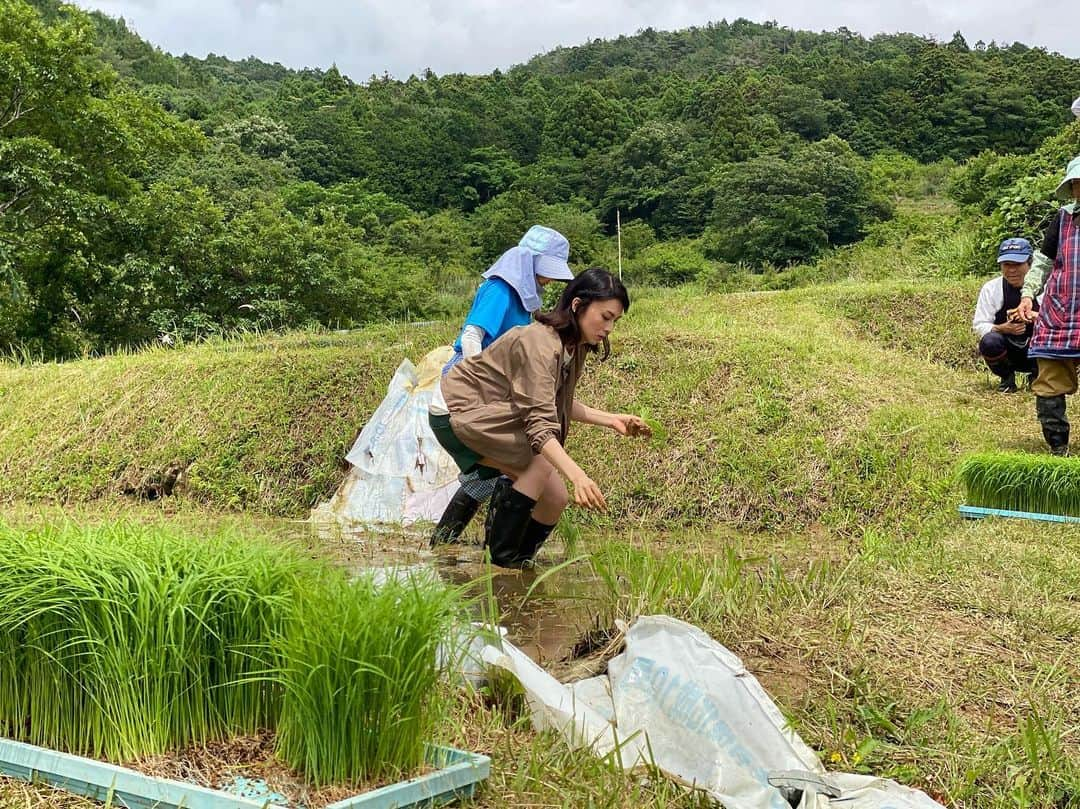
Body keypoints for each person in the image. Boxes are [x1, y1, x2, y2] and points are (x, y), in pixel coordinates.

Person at [429, 268, 652, 568]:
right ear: (577, 305)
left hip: (489, 412)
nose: (609, 327)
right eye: (605, 316)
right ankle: (500, 565)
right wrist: (579, 477)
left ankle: (520, 562)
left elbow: (555, 402)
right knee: (540, 461)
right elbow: (539, 426)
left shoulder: (572, 345)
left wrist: (612, 419)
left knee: (555, 499)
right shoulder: (541, 344)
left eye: (615, 320)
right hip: (456, 410)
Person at [429, 225, 575, 546]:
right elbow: (472, 337)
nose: (548, 280)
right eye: (545, 271)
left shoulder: (524, 301)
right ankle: (495, 552)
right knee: (517, 465)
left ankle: (445, 544)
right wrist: (480, 390)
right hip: (472, 388)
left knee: (493, 471)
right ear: (528, 261)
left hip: (496, 391)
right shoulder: (500, 289)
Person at [1016, 155, 1080, 455]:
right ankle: (1058, 448)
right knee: (1050, 383)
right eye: (1077, 184)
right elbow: (1042, 263)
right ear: (1071, 188)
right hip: (1060, 313)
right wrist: (1028, 294)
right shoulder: (1063, 218)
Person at [972, 237, 1040, 393]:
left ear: (1030, 264)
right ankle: (1006, 378)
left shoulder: (1048, 286)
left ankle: (1038, 376)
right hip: (1008, 350)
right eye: (1006, 265)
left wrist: (1038, 318)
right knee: (990, 341)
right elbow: (979, 324)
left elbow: (1063, 322)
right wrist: (1003, 328)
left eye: (1017, 265)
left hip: (1039, 349)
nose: (1011, 270)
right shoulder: (991, 289)